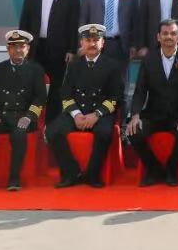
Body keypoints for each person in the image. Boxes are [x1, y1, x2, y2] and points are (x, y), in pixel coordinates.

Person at [45, 24, 124, 188]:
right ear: (82, 43)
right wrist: (76, 115)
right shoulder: (74, 65)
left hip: (100, 113)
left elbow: (116, 97)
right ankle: (71, 173)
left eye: (96, 40)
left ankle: (92, 175)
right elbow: (65, 95)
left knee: (104, 133)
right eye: (88, 40)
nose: (92, 44)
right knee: (52, 131)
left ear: (103, 43)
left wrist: (96, 115)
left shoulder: (112, 66)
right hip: (78, 111)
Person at [126, 18, 178, 186]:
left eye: (173, 33)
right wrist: (135, 115)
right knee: (133, 132)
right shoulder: (149, 59)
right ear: (158, 37)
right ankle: (154, 169)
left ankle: (172, 170)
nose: (169, 37)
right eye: (165, 33)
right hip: (154, 115)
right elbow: (140, 91)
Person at [0, 30, 47, 192]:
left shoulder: (36, 70)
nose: (18, 50)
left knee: (18, 135)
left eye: (22, 46)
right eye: (14, 47)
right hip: (0, 116)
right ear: (8, 49)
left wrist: (29, 116)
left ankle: (14, 178)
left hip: (22, 116)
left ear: (28, 48)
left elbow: (40, 98)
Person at [18, 0, 79, 120]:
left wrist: (72, 49)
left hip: (59, 50)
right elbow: (25, 21)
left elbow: (74, 24)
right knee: (33, 86)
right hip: (35, 47)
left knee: (56, 89)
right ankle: (31, 123)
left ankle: (52, 126)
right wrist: (22, 46)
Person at [79, 0, 140, 112]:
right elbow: (83, 18)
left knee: (122, 88)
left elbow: (136, 20)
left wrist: (135, 45)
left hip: (121, 45)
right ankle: (98, 120)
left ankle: (121, 124)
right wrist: (82, 43)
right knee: (96, 86)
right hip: (96, 45)